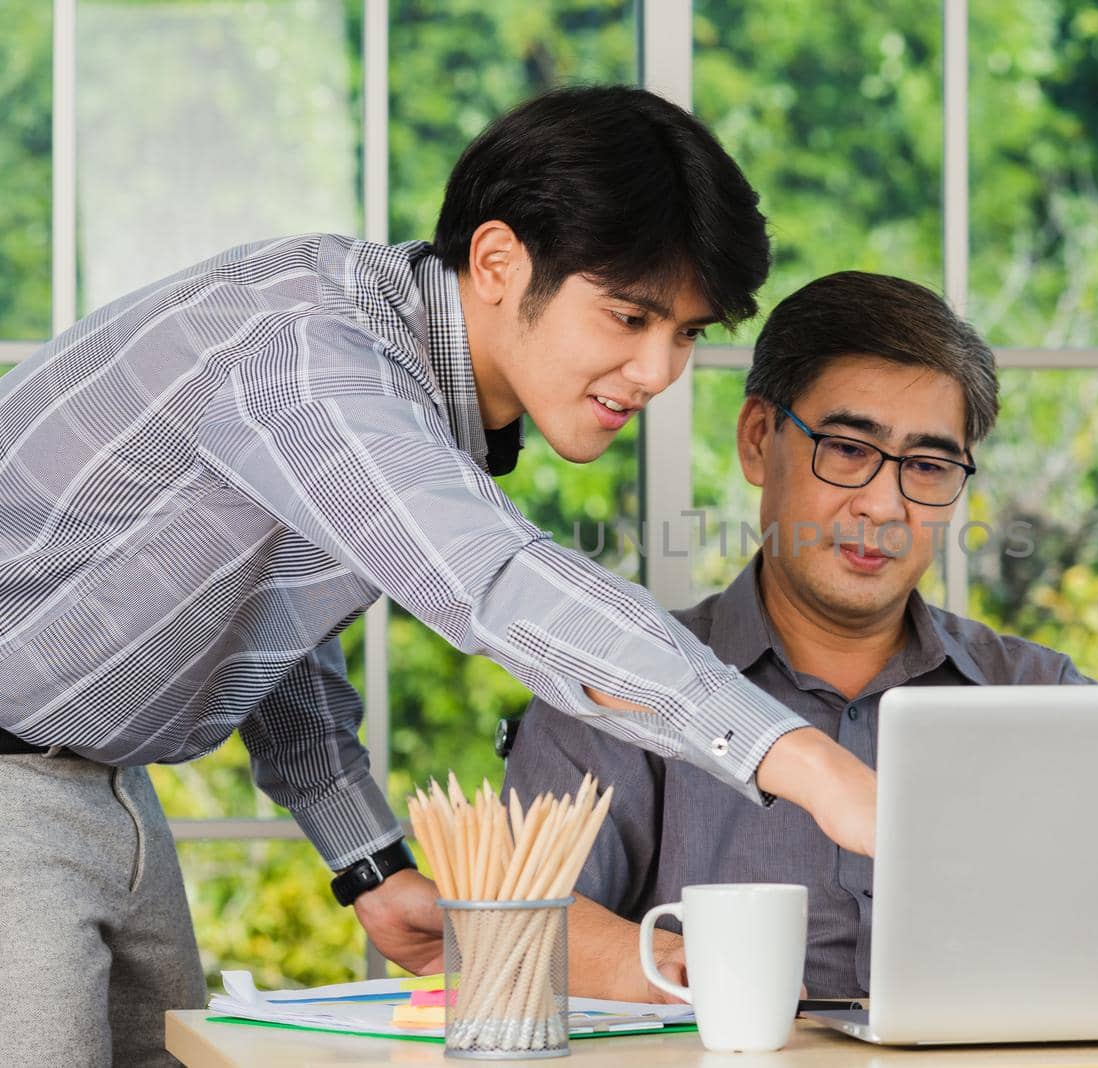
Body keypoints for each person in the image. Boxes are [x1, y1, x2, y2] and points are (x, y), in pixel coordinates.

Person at [0, 86, 876, 1067]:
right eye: (630, 316)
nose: (658, 371)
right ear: (499, 261)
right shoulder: (311, 361)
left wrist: (368, 863)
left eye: (686, 333)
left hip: (97, 786)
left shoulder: (388, 379)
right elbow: (495, 581)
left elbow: (254, 622)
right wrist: (810, 766)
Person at [503, 271, 1093, 1001]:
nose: (884, 504)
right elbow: (513, 925)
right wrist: (704, 974)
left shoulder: (1044, 699)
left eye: (929, 467)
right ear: (758, 440)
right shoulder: (611, 686)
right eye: (847, 449)